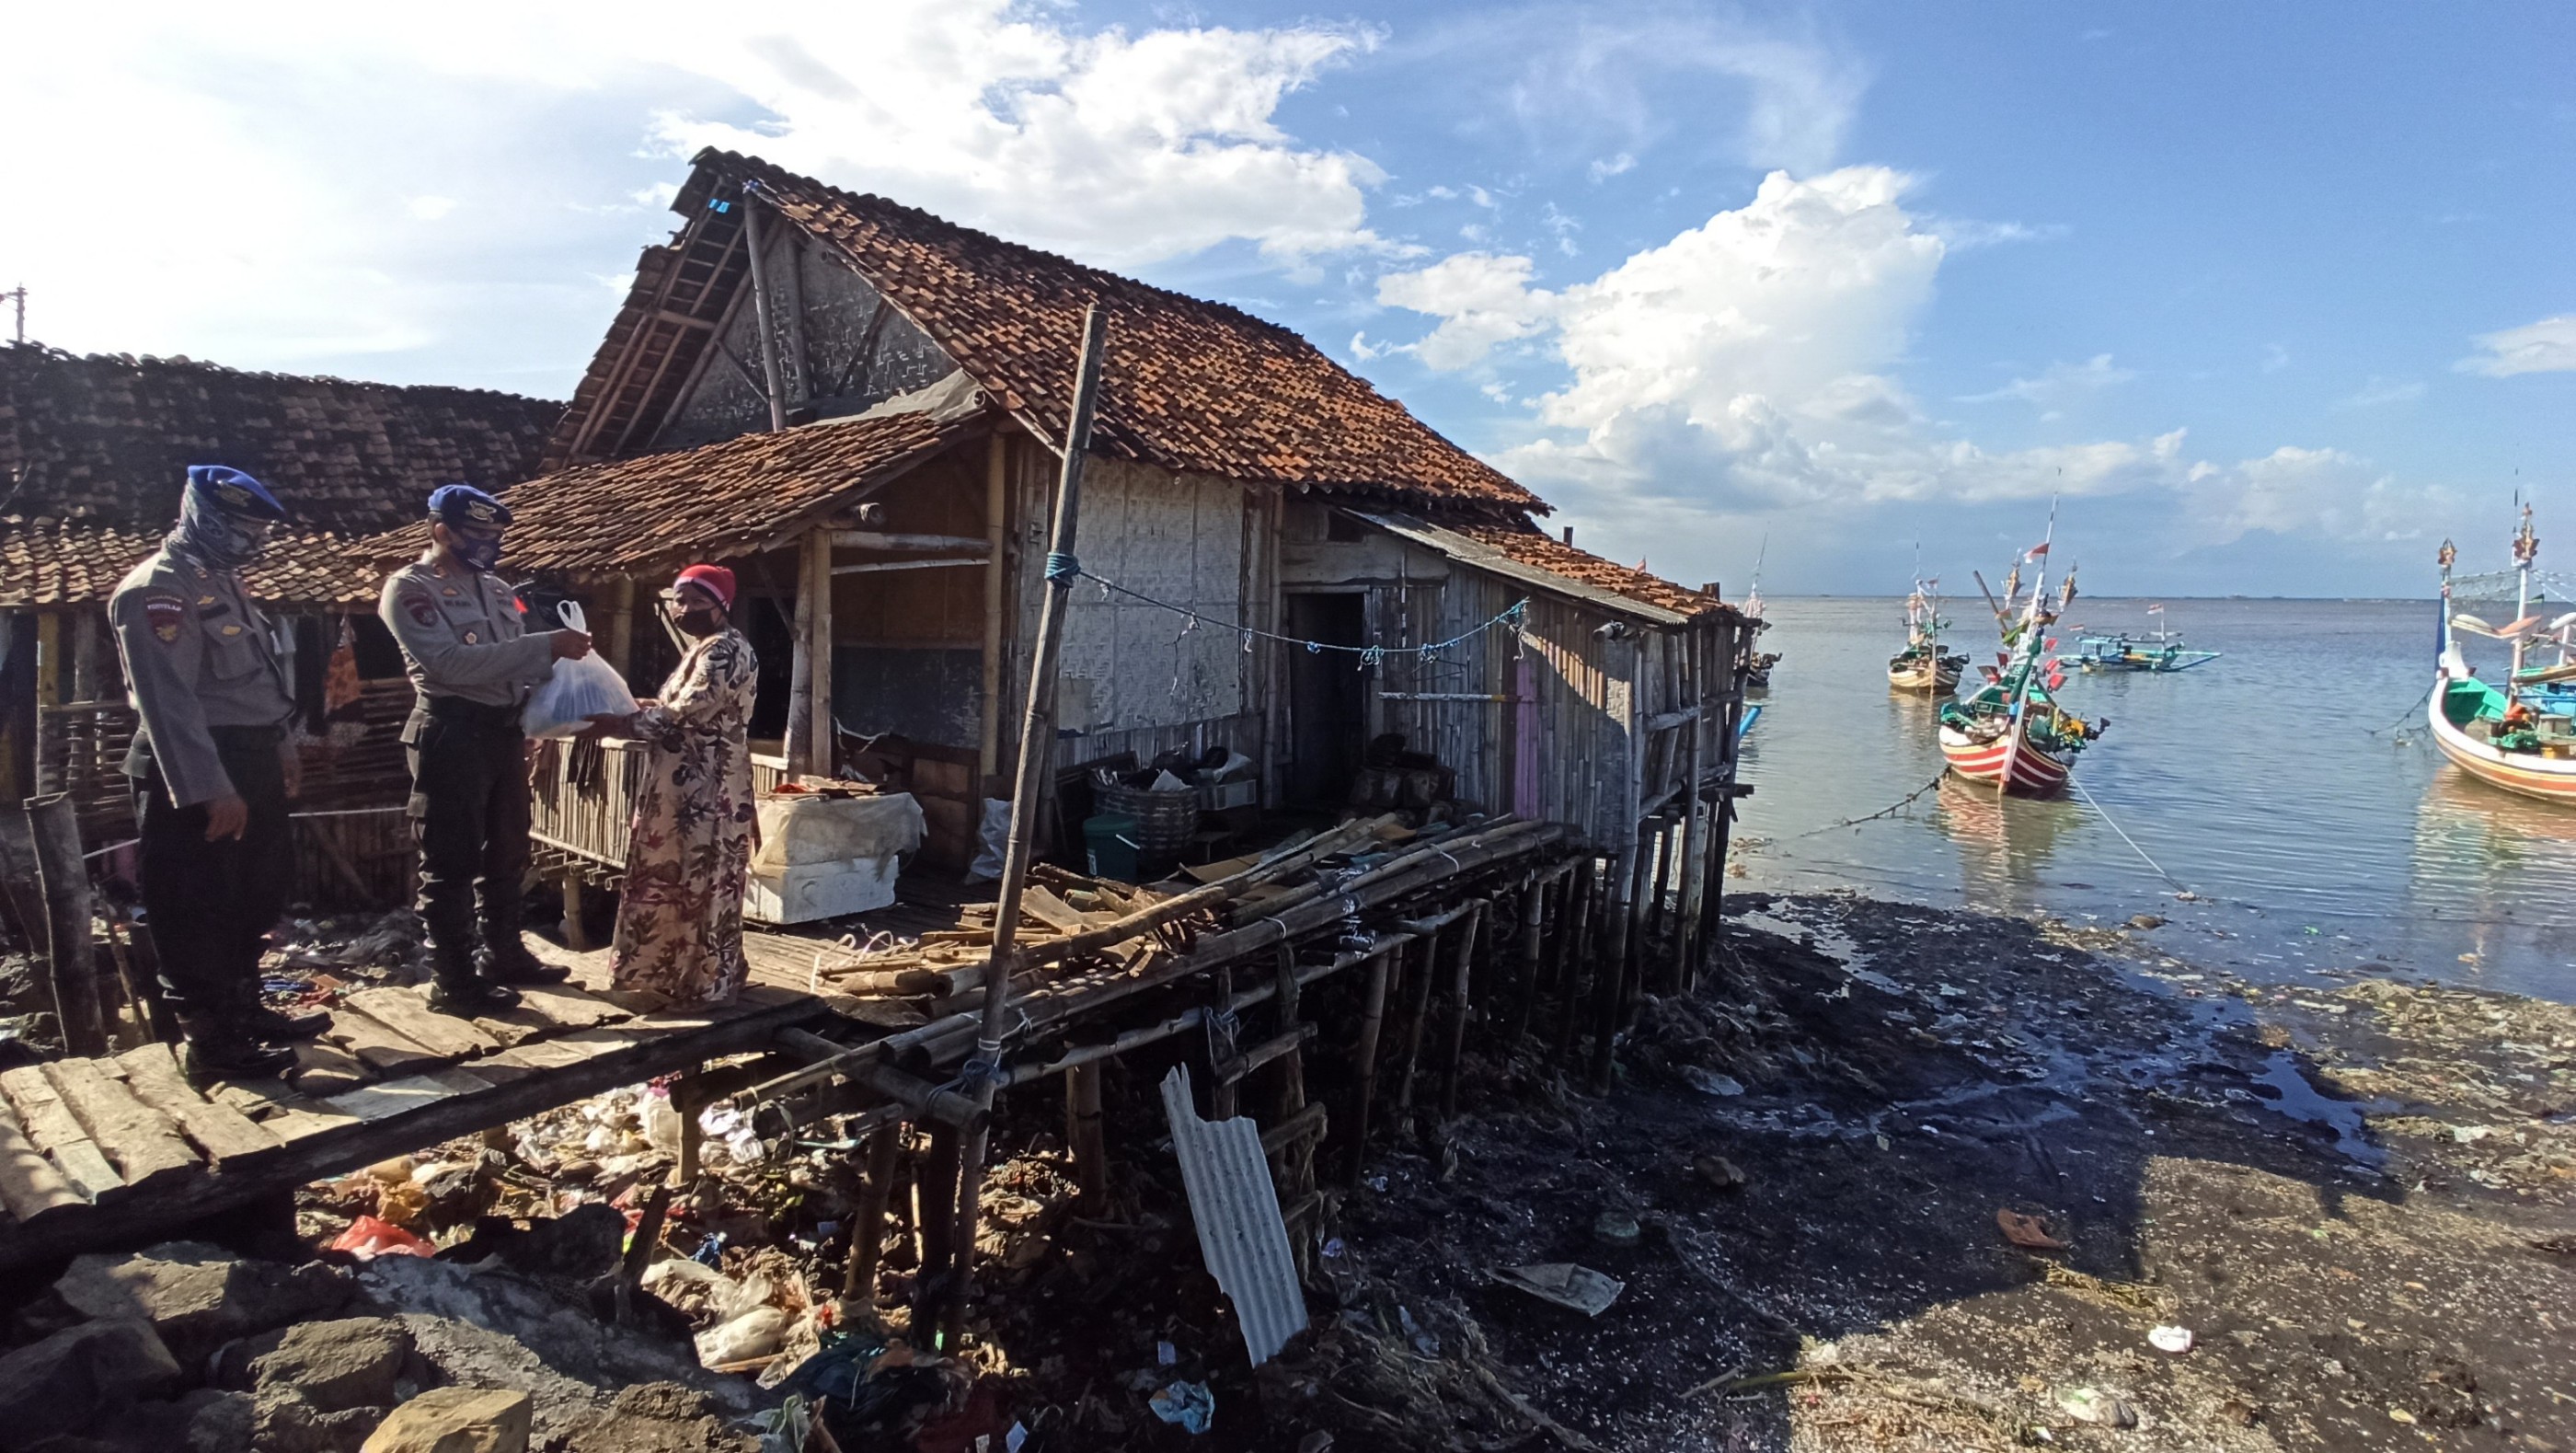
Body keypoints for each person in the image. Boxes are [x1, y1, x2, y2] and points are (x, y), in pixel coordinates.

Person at [109, 465, 329, 1081]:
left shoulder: (220, 581)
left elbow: (257, 679)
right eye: (240, 526)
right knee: (194, 903)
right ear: (201, 516)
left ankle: (244, 1009)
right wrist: (210, 787)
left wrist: (281, 743)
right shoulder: (157, 588)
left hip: (249, 753)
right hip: (197, 761)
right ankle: (209, 1040)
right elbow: (167, 700)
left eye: (255, 528)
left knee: (254, 890)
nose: (250, 539)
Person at [380, 484, 588, 1011]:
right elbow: (449, 664)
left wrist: (538, 715)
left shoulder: (497, 590)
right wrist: (544, 647)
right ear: (440, 531)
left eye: (494, 536)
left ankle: (505, 953)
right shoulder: (410, 590)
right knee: (450, 858)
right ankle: (453, 978)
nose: (487, 545)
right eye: (475, 535)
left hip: (503, 731)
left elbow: (514, 668)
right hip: (451, 731)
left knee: (508, 849)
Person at [594, 565, 760, 1005]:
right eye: (679, 601)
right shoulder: (704, 648)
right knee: (680, 871)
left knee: (700, 875)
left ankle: (703, 979)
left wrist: (621, 722)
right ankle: (677, 972)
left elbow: (686, 711)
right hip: (685, 783)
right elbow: (678, 705)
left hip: (707, 786)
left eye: (695, 601)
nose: (684, 609)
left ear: (720, 605)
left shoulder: (723, 650)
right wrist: (642, 707)